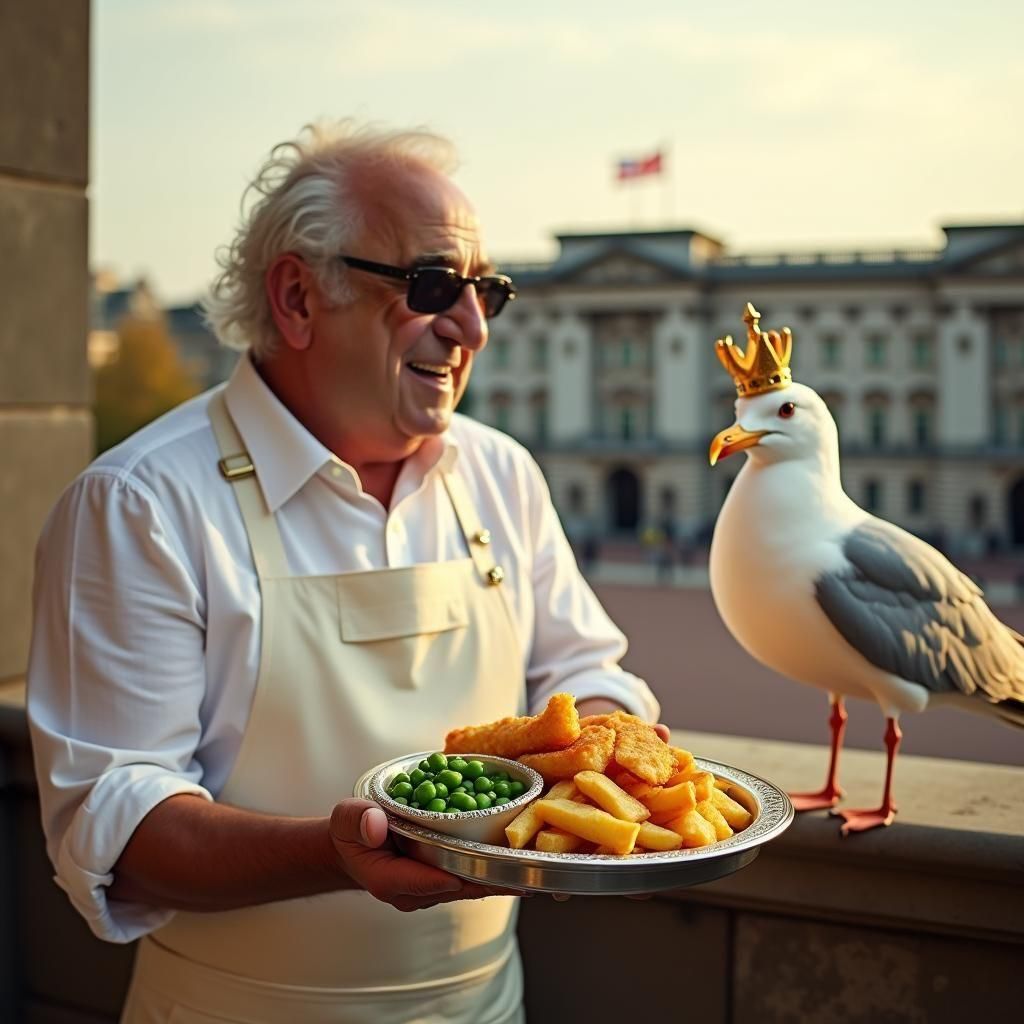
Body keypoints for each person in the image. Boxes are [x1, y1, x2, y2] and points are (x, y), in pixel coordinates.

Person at [27, 120, 661, 1024]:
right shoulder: (139, 503)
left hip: (483, 1007)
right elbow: (119, 827)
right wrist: (337, 854)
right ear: (297, 299)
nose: (472, 327)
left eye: (489, 291)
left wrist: (604, 754)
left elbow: (585, 673)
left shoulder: (499, 472)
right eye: (434, 285)